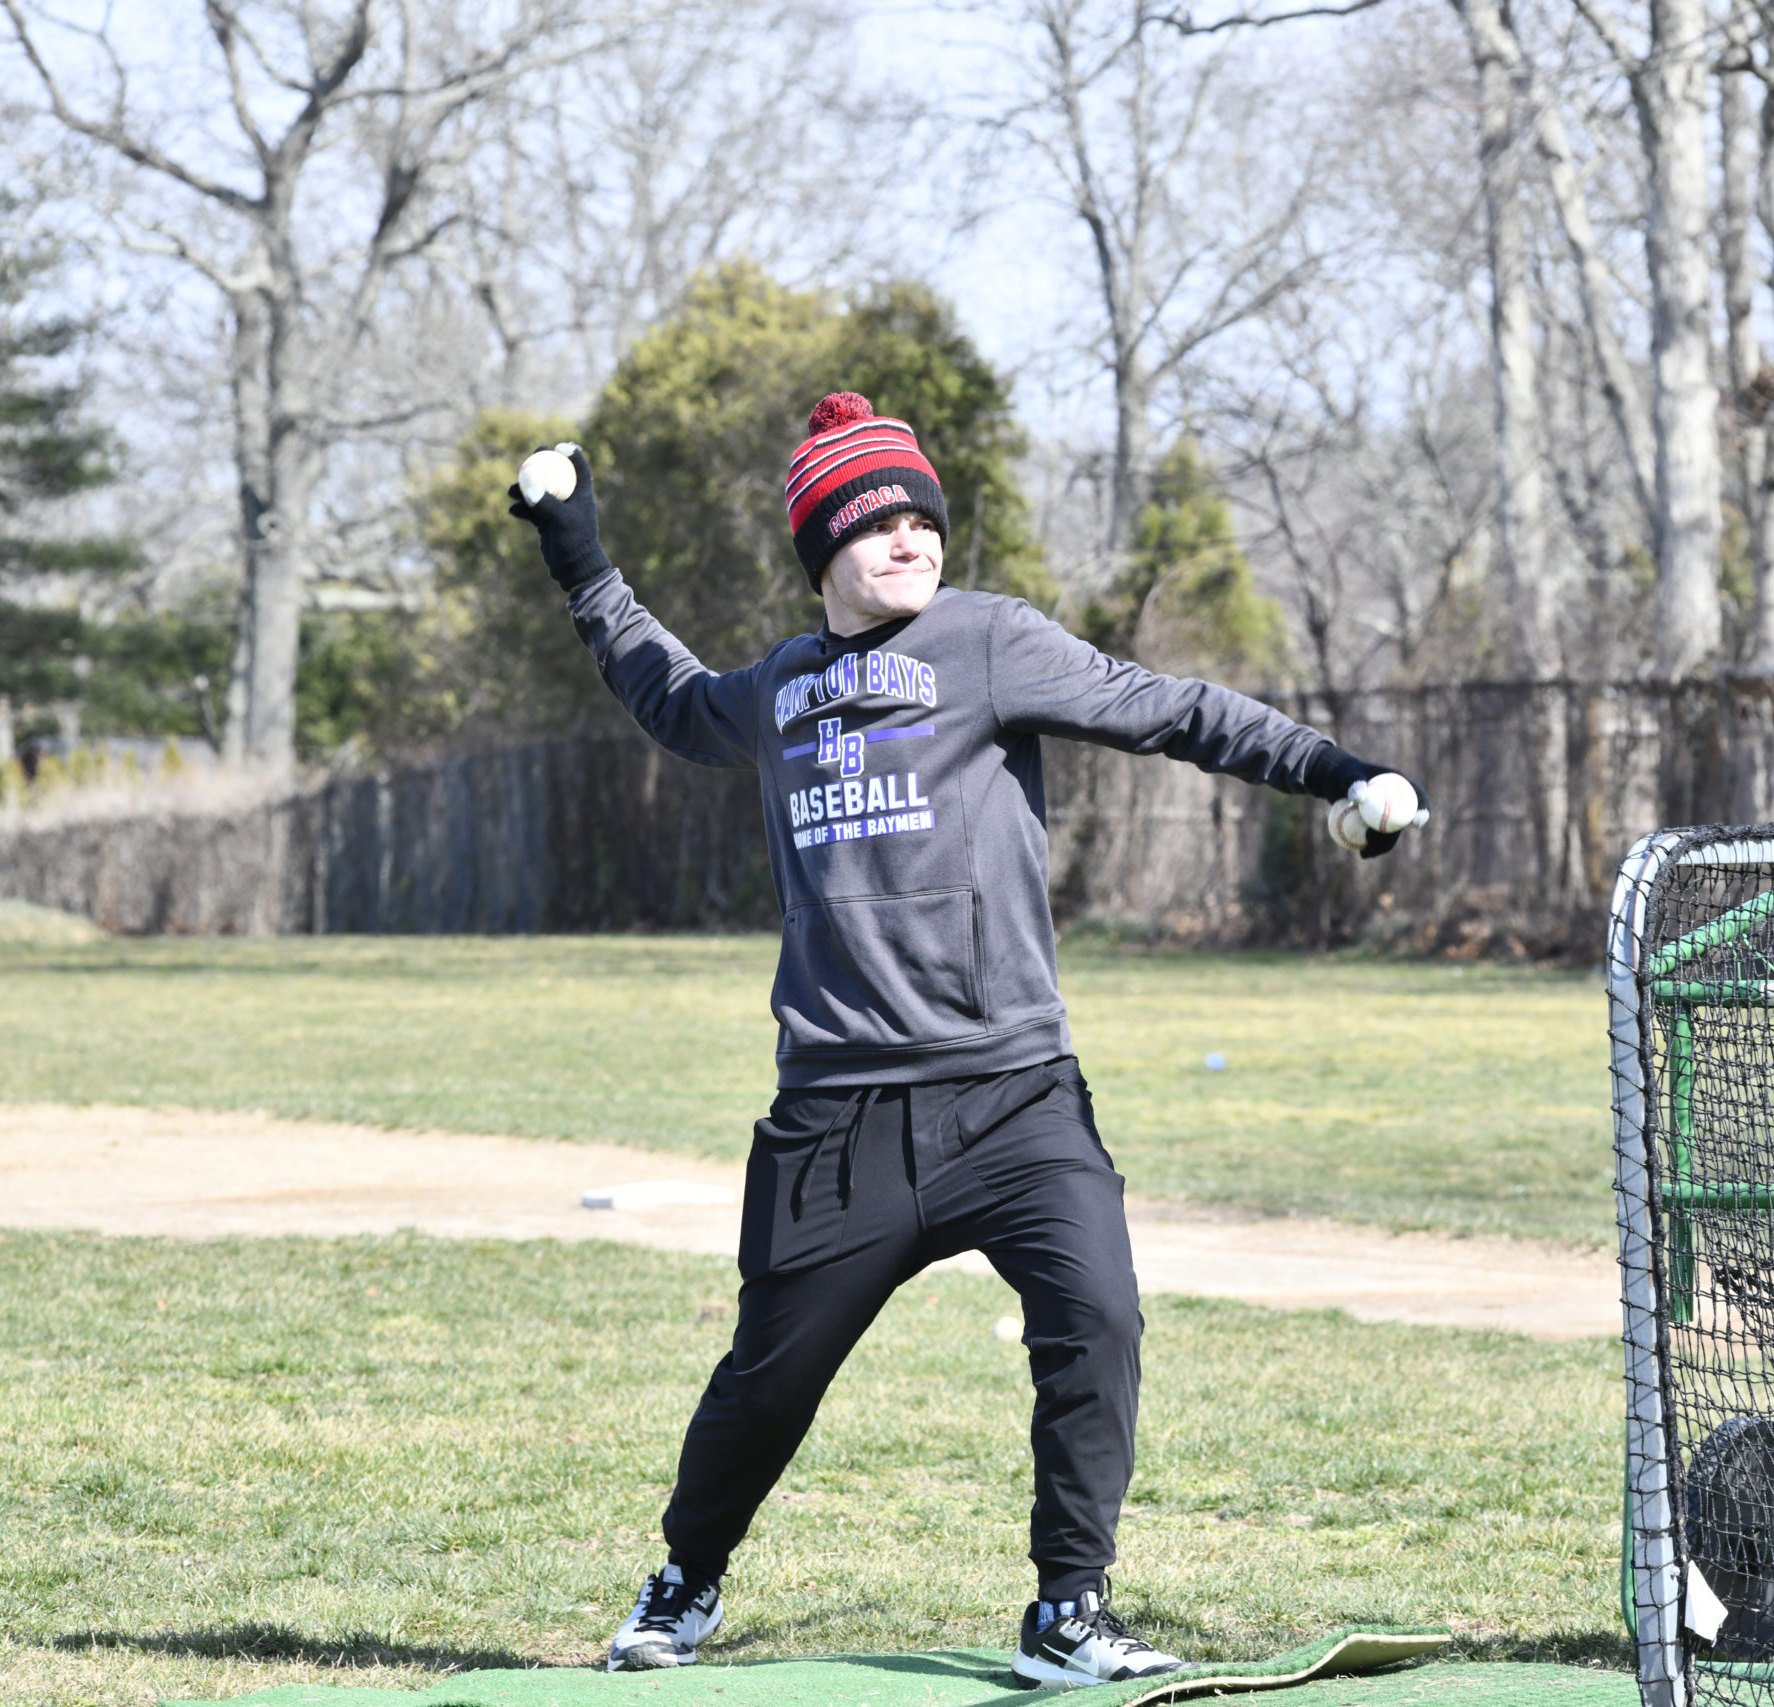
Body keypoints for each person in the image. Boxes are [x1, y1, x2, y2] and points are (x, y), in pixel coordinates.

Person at [508, 392, 1424, 1688]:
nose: (905, 537)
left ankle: (1069, 1608)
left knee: (1097, 1316)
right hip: (840, 1114)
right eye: (871, 519)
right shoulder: (779, 688)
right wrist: (578, 553)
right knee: (766, 1386)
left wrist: (1339, 772)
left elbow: (1169, 709)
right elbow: (668, 696)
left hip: (1014, 1097)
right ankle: (684, 1581)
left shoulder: (989, 645)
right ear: (821, 548)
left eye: (919, 516)